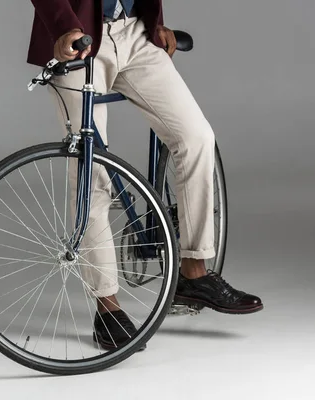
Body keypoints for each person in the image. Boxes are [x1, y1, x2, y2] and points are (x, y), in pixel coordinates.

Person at [27, 0, 263, 350]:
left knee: (196, 138)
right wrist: (63, 27)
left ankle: (194, 272)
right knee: (93, 174)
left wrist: (156, 24)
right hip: (79, 37)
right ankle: (108, 309)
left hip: (135, 34)